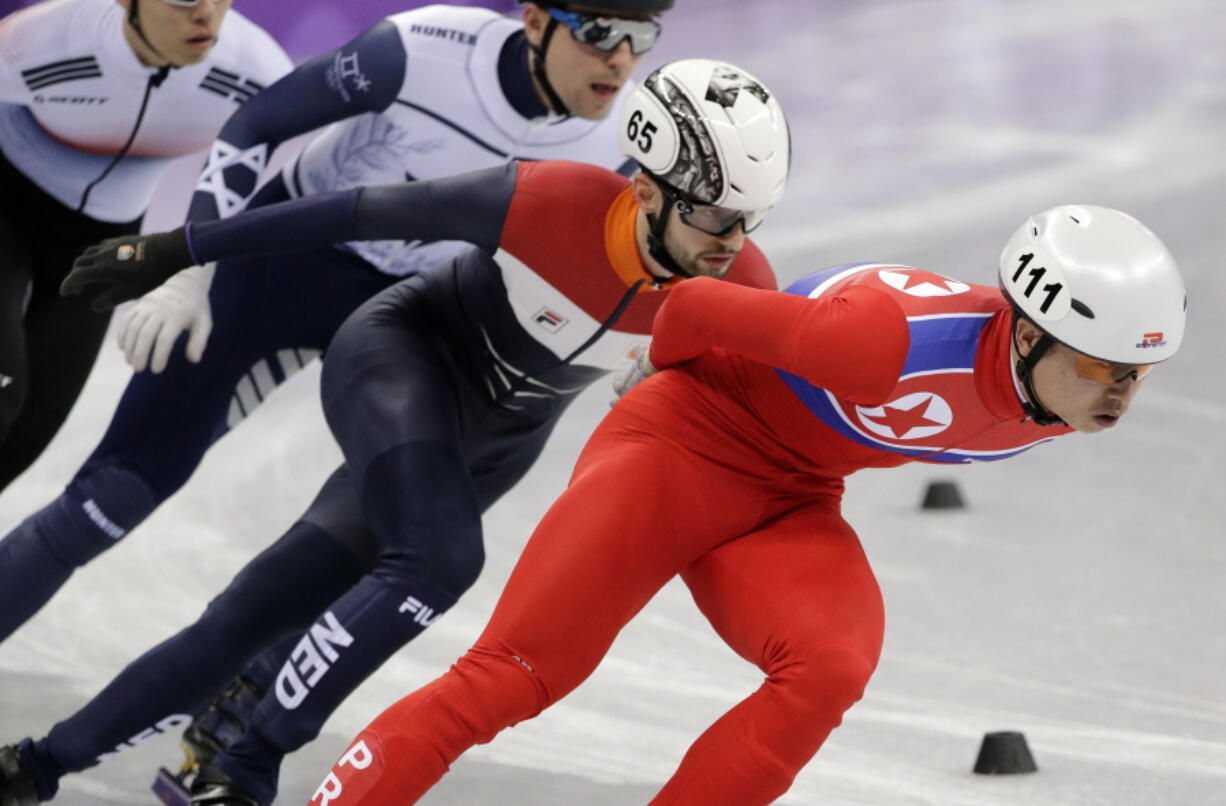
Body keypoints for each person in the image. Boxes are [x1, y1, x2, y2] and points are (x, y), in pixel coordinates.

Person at [0, 57, 790, 806]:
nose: (734, 239)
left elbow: (786, 414)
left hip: (493, 446)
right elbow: (353, 210)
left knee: (256, 611)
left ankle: (34, 767)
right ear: (650, 191)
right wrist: (178, 249)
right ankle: (244, 764)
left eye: (751, 217)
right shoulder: (551, 203)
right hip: (401, 359)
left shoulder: (743, 283)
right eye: (718, 214)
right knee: (441, 560)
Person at [296, 204, 1187, 806]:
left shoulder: (1060, 395)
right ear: (1029, 331)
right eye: (1107, 368)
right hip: (679, 446)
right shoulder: (881, 342)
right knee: (516, 675)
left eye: (1140, 374)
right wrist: (653, 374)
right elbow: (693, 303)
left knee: (831, 667)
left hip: (792, 495)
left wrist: (1105, 371)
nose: (1121, 395)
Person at [0, 0, 669, 640]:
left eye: (642, 38)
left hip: (408, 314)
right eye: (602, 32)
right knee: (113, 496)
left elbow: (630, 267)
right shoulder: (422, 48)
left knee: (381, 535)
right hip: (283, 267)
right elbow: (256, 126)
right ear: (534, 21)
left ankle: (240, 704)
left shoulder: (624, 143)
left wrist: (652, 350)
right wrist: (193, 261)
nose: (621, 58)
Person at [0, 0, 291, 491]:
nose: (207, 16)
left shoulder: (259, 72)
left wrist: (197, 268)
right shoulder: (41, 41)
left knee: (32, 427)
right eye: (182, 0)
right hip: (7, 203)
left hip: (105, 237)